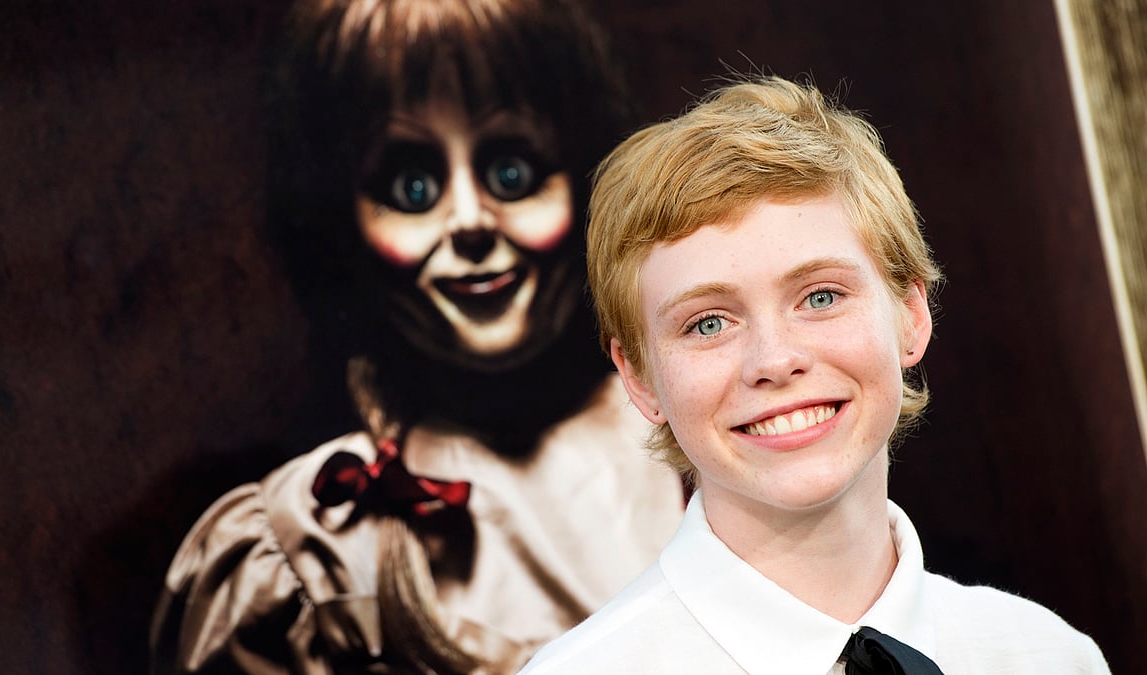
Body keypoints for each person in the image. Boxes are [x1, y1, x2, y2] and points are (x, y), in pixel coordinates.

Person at [150, 1, 684, 673]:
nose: (469, 221)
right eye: (412, 187)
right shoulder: (310, 545)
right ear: (338, 218)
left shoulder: (717, 425)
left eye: (511, 173)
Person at [518, 75, 1110, 674]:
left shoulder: (1052, 657)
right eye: (708, 324)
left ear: (910, 315)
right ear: (641, 379)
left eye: (820, 297)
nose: (774, 361)